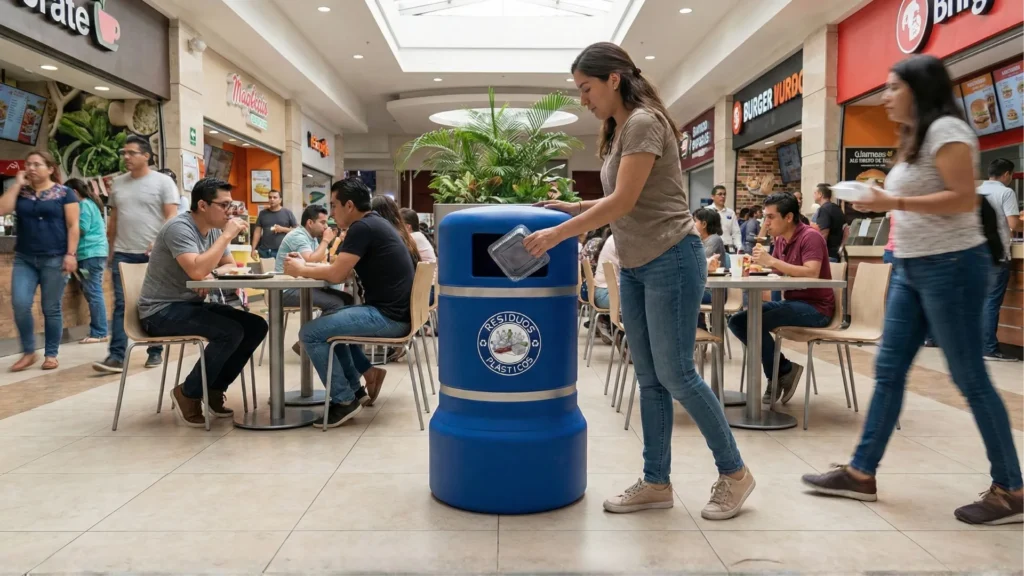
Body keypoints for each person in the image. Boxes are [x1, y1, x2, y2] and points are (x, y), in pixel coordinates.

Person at [522, 42, 753, 520]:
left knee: (677, 375)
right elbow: (626, 198)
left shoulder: (645, 121)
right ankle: (656, 481)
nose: (582, 99)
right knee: (649, 378)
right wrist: (576, 208)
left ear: (613, 79)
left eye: (586, 88)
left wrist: (559, 232)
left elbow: (624, 201)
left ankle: (734, 473)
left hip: (670, 255)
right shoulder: (620, 128)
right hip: (637, 263)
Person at [801, 55, 1023, 525]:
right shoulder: (913, 138)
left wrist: (890, 199)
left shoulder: (948, 131)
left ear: (919, 90)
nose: (884, 96)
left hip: (952, 266)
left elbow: (963, 197)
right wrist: (882, 202)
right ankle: (861, 473)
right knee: (888, 368)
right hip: (910, 267)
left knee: (969, 378)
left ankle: (1012, 489)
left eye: (892, 87)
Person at [138, 177, 267, 426]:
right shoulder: (180, 228)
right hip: (160, 310)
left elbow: (227, 265)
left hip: (190, 305)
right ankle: (189, 393)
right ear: (203, 205)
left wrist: (210, 271)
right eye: (224, 205)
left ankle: (214, 388)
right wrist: (225, 238)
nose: (230, 211)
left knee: (256, 326)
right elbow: (196, 272)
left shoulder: (215, 230)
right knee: (229, 332)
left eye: (231, 205)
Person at [288, 178, 414, 427]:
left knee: (310, 333)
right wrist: (307, 267)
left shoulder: (362, 228)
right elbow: (341, 270)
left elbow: (336, 275)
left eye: (333, 206)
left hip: (388, 318)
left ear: (348, 205)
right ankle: (355, 392)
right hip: (395, 314)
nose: (332, 212)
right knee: (329, 325)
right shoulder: (374, 223)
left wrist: (301, 269)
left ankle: (344, 401)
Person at [729, 192, 834, 404]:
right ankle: (784, 369)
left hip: (816, 309)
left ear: (788, 217)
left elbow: (811, 272)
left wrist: (772, 262)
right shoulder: (780, 240)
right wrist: (761, 266)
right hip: (793, 302)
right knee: (738, 321)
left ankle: (778, 374)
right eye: (765, 217)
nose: (765, 222)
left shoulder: (810, 237)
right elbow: (780, 272)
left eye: (770, 217)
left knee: (753, 321)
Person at [94, 135, 177, 373]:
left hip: (155, 255)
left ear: (146, 156)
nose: (126, 157)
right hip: (123, 253)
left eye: (131, 153)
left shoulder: (163, 182)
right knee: (122, 304)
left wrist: (159, 241)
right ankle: (116, 356)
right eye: (124, 153)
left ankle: (155, 350)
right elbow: (115, 219)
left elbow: (172, 215)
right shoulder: (118, 183)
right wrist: (110, 250)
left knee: (153, 303)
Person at [0, 151, 79, 371]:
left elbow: (73, 226)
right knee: (20, 304)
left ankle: (51, 354)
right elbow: (2, 209)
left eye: (37, 164)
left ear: (51, 169)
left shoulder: (65, 194)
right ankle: (28, 352)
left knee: (50, 308)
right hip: (24, 258)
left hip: (55, 257)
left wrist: (71, 255)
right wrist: (16, 185)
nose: (31, 168)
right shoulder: (21, 193)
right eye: (28, 164)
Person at [978, 159, 1022, 362]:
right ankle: (989, 348)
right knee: (991, 303)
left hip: (976, 254)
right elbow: (1014, 224)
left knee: (980, 302)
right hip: (996, 255)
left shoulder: (978, 191)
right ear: (1006, 174)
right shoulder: (1006, 192)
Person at [66, 178, 109, 344]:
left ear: (75, 193)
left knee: (94, 291)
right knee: (93, 290)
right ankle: (100, 330)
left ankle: (99, 332)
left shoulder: (83, 206)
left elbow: (81, 229)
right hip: (95, 253)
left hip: (90, 253)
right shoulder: (90, 204)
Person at [251, 189, 297, 261]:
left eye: (275, 197)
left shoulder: (287, 213)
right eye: (270, 197)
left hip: (282, 251)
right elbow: (257, 232)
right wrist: (253, 249)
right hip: (264, 251)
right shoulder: (263, 213)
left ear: (280, 200)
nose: (272, 199)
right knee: (266, 271)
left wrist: (283, 229)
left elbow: (297, 230)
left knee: (281, 272)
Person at [811, 184, 846, 262]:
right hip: (836, 254)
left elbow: (823, 234)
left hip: (827, 256)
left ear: (820, 194)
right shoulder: (838, 209)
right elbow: (846, 230)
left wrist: (815, 253)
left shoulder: (823, 210)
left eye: (815, 193)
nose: (813, 195)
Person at [709, 185, 742, 251]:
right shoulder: (707, 211)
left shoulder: (730, 212)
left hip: (728, 247)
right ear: (712, 197)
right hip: (711, 246)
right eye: (720, 194)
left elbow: (736, 232)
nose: (723, 196)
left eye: (724, 194)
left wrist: (739, 246)